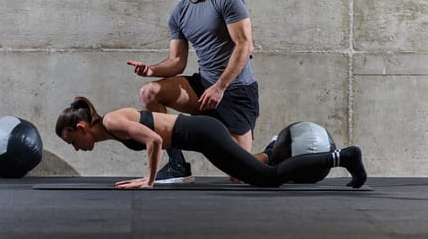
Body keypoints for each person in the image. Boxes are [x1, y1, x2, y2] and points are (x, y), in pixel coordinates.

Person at [127, 0, 260, 184]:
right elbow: (177, 62)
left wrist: (220, 87)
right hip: (203, 87)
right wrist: (153, 70)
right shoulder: (179, 15)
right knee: (150, 92)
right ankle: (178, 165)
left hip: (236, 90)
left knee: (239, 175)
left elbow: (245, 46)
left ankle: (277, 151)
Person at [55, 97, 367, 190]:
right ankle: (274, 152)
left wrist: (148, 181)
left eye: (72, 141)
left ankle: (343, 157)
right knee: (255, 175)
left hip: (204, 133)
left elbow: (152, 140)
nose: (75, 148)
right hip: (203, 136)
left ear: (82, 127)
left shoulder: (111, 122)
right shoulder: (110, 126)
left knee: (268, 179)